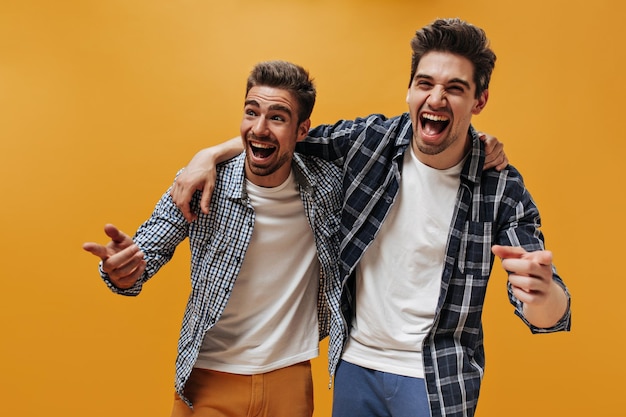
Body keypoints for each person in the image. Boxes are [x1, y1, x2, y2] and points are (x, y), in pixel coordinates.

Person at [170, 18, 571, 417]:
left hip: (435, 379)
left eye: (455, 89)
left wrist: (544, 294)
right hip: (355, 368)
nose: (435, 99)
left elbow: (549, 312)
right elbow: (285, 134)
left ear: (478, 102)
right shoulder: (370, 143)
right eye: (425, 84)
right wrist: (208, 155)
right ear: (410, 89)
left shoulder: (500, 188)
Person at [82, 60, 345, 417]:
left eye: (278, 117)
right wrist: (121, 270)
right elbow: (146, 253)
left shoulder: (325, 185)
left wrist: (212, 150)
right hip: (210, 378)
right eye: (251, 112)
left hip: (290, 379)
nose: (260, 128)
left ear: (302, 131)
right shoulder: (202, 183)